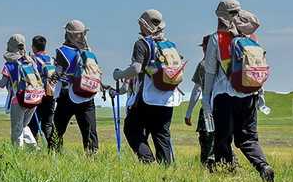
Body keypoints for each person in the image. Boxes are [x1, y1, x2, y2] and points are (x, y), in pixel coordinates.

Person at [201, 0, 275, 182]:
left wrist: (206, 99)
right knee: (248, 139)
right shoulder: (252, 39)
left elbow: (209, 72)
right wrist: (260, 95)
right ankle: (263, 166)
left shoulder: (216, 39)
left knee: (223, 139)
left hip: (224, 97)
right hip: (250, 94)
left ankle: (227, 178)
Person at [113, 10, 183, 164]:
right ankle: (166, 171)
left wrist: (119, 75)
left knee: (131, 129)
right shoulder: (170, 45)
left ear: (144, 25)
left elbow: (136, 69)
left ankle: (147, 161)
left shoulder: (142, 44)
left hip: (148, 97)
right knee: (162, 135)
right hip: (168, 98)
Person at [52, 20, 101, 155]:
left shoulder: (62, 52)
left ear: (68, 34)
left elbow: (58, 72)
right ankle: (92, 157)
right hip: (87, 94)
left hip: (67, 95)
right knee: (90, 131)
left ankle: (54, 155)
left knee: (58, 129)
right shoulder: (89, 52)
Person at [0, 34, 40, 148]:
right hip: (34, 98)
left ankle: (17, 152)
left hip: (18, 99)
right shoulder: (30, 61)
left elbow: (2, 84)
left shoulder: (8, 65)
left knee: (17, 129)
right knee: (24, 125)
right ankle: (33, 147)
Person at [185, 36, 215, 168]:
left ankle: (207, 167)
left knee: (206, 139)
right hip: (224, 107)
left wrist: (189, 112)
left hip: (208, 109)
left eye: (204, 47)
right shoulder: (224, 63)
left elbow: (197, 89)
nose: (203, 49)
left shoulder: (203, 65)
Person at [28, 35, 58, 147]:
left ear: (33, 47)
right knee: (48, 123)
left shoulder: (34, 60)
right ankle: (54, 149)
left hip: (39, 95)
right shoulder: (51, 59)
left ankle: (33, 149)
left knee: (33, 123)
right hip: (51, 94)